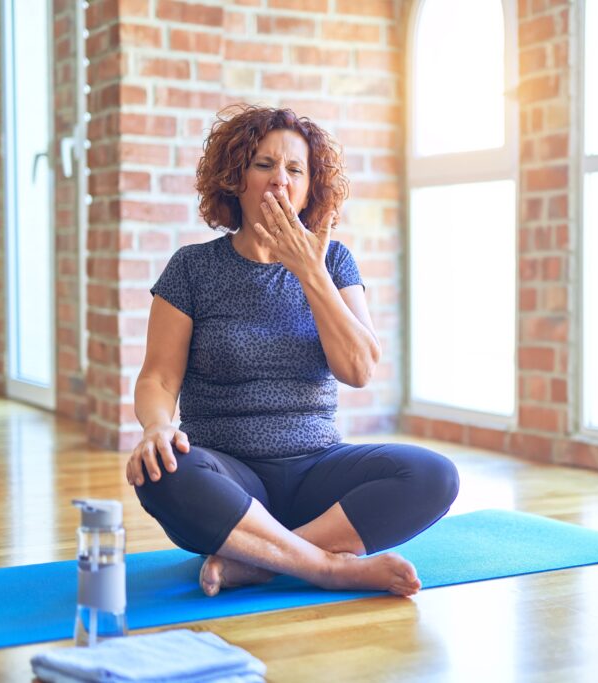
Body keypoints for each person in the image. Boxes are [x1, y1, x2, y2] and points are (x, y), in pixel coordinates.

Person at [126, 105, 459, 598]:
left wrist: (310, 271)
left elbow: (359, 369)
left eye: (294, 170)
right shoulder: (192, 268)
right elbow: (158, 378)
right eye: (264, 165)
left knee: (434, 474)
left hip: (318, 474)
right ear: (236, 179)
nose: (279, 179)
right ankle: (326, 568)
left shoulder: (336, 261)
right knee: (160, 473)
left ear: (309, 188)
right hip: (228, 480)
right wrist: (157, 427)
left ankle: (260, 560)